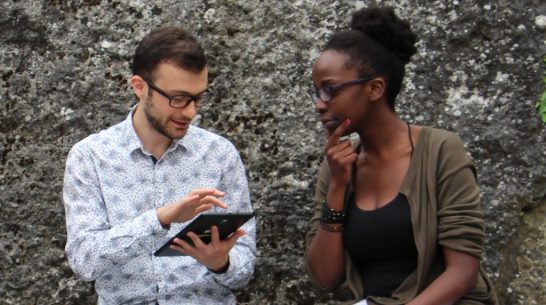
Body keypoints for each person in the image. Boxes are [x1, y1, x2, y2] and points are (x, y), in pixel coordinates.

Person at [304, 6, 498, 305]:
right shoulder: (338, 166)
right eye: (316, 92)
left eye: (330, 90)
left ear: (375, 88)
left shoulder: (440, 151)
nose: (319, 104)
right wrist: (337, 189)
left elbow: (462, 274)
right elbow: (325, 278)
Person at [62, 26, 256, 305]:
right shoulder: (91, 157)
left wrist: (221, 263)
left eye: (198, 98)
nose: (190, 112)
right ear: (140, 88)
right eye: (177, 99)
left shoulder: (220, 154)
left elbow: (245, 267)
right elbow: (84, 260)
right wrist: (160, 219)